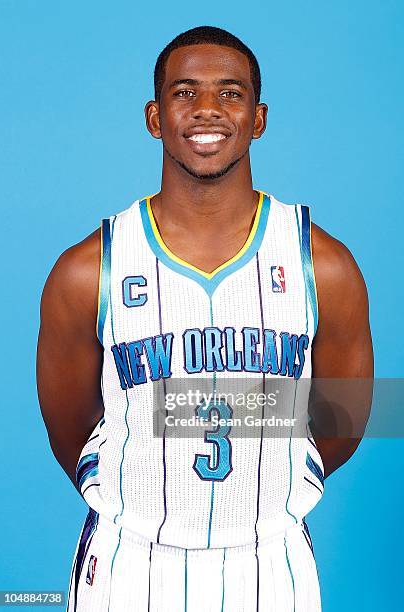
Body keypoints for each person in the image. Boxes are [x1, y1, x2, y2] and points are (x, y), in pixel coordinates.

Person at [37, 25, 373, 611]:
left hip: (271, 561)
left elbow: (342, 421)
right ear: (154, 116)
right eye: (185, 92)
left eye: (231, 93)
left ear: (259, 119)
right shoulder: (86, 271)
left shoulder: (326, 264)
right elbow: (70, 430)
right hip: (130, 561)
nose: (208, 110)